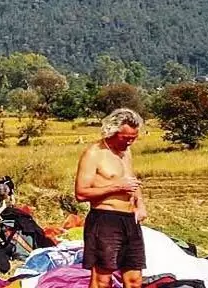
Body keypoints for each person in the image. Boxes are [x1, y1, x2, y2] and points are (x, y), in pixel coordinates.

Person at [74, 108, 146, 288]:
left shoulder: (126, 152)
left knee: (134, 280)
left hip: (130, 221)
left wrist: (140, 203)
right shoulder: (94, 153)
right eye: (125, 137)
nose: (130, 142)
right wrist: (117, 186)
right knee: (102, 280)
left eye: (134, 138)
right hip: (105, 219)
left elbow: (131, 180)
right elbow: (81, 193)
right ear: (112, 132)